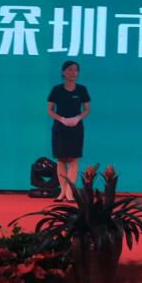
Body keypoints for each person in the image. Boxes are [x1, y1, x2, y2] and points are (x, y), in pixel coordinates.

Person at [47, 61, 91, 202]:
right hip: (60, 127)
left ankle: (69, 192)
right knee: (61, 159)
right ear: (63, 72)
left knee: (73, 159)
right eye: (70, 69)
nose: (73, 72)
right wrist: (61, 119)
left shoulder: (82, 89)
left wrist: (78, 118)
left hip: (76, 127)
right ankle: (62, 191)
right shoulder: (56, 89)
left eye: (76, 70)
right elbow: (50, 110)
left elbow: (86, 109)